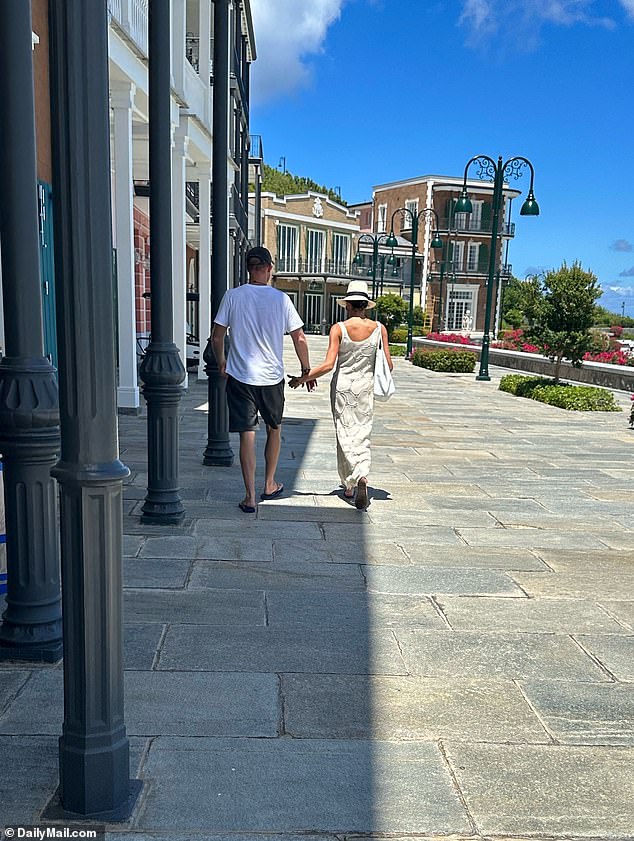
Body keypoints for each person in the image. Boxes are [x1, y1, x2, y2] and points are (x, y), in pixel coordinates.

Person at [211, 246, 316, 514]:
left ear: (248, 268)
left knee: (247, 434)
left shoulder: (232, 296)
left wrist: (222, 361)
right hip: (271, 378)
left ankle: (249, 497)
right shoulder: (281, 300)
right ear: (269, 268)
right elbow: (299, 337)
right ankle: (269, 484)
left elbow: (217, 336)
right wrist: (306, 370)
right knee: (274, 428)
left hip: (240, 376)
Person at [288, 280, 393, 510]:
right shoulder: (379, 329)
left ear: (346, 305)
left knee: (345, 434)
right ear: (366, 305)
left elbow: (328, 365)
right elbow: (388, 365)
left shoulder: (339, 328)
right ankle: (361, 475)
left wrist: (303, 377)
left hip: (343, 388)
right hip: (365, 387)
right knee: (362, 433)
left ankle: (349, 485)